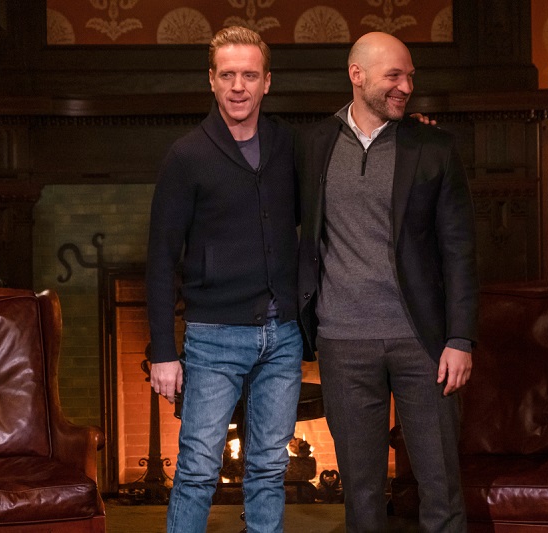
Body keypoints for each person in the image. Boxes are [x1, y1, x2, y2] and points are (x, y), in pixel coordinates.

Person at [297, 31, 479, 532]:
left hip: (424, 344)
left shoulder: (434, 147)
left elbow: (459, 250)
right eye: (394, 76)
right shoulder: (312, 145)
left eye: (410, 77)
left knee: (441, 490)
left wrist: (460, 339)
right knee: (361, 496)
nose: (406, 87)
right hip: (342, 343)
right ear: (356, 75)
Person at [146, 26, 303, 533]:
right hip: (213, 336)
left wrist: (405, 133)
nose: (239, 86)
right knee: (196, 471)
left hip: (283, 336)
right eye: (228, 75)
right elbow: (160, 258)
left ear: (267, 82)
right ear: (211, 80)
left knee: (269, 468)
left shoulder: (287, 145)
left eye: (250, 75)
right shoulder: (187, 155)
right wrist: (164, 351)